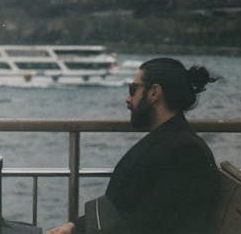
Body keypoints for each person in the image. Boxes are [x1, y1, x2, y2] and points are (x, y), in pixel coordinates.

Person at [47, 58, 220, 234]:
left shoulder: (186, 153)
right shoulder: (171, 140)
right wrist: (75, 227)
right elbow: (133, 211)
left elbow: (151, 223)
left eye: (133, 90)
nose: (128, 99)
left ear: (154, 93)